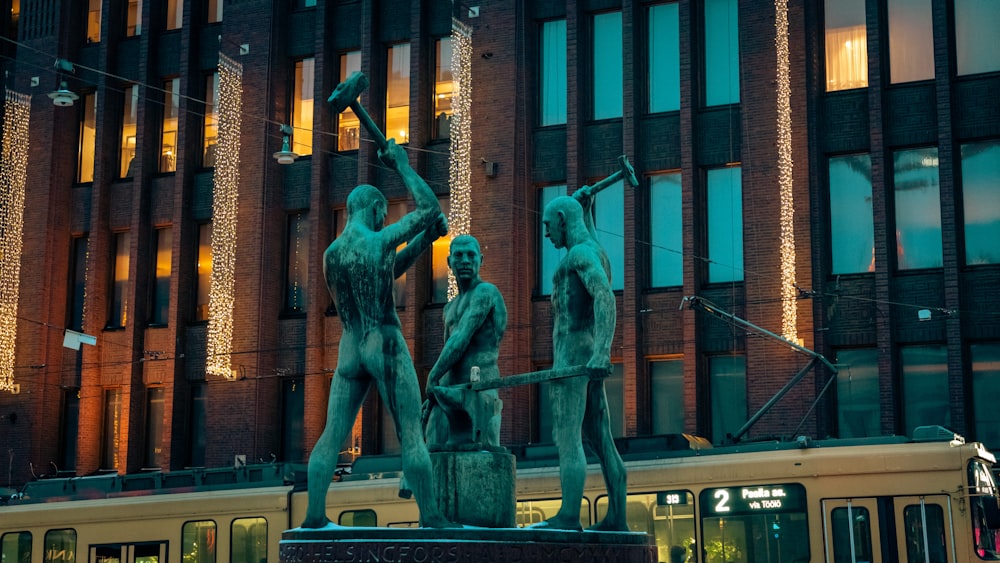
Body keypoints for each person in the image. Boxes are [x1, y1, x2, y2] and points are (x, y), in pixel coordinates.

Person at [301, 139, 453, 529]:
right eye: (383, 215)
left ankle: (314, 516)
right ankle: (432, 517)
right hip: (382, 339)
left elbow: (387, 270)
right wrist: (402, 163)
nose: (385, 221)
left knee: (331, 435)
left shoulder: (331, 254)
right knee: (411, 434)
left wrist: (425, 240)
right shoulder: (378, 240)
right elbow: (430, 208)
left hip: (350, 345)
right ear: (373, 209)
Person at [534, 189, 627, 531]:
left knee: (567, 436)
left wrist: (604, 349)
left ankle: (569, 515)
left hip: (573, 354)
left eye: (548, 225)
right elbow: (590, 241)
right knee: (601, 438)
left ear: (561, 220)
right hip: (585, 351)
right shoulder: (595, 250)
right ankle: (617, 516)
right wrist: (585, 212)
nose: (546, 233)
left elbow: (604, 296)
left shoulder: (578, 256)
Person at [423, 234, 507, 452]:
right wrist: (435, 390)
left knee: (480, 456)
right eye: (458, 255)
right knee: (433, 448)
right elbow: (448, 348)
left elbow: (461, 338)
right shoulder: (449, 308)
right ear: (449, 262)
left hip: (480, 391)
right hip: (449, 392)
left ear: (481, 259)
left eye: (471, 255)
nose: (465, 260)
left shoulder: (486, 292)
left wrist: (432, 377)